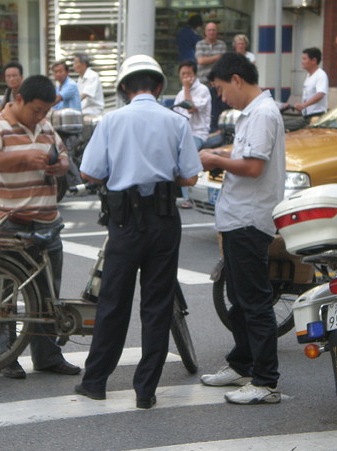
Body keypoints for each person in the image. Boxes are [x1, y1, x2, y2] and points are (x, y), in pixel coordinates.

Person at [74, 55, 202, 409]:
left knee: (113, 302)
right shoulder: (176, 122)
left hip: (124, 223)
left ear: (125, 89)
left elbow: (90, 173)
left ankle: (95, 382)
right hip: (164, 221)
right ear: (159, 87)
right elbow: (190, 177)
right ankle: (145, 391)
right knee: (157, 305)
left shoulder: (111, 121)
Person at [0, 75, 80, 379]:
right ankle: (4, 356)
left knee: (48, 295)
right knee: (6, 293)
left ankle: (47, 356)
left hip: (48, 222)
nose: (40, 116)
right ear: (18, 100)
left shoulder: (45, 127)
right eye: (35, 110)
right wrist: (23, 154)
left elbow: (62, 157)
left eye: (45, 111)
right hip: (11, 222)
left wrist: (58, 166)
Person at [199, 53, 285, 405]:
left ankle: (265, 381)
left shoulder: (263, 113)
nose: (222, 97)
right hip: (238, 218)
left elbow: (252, 167)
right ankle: (242, 363)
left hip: (250, 219)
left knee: (254, 302)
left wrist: (216, 160)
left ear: (236, 79)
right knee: (238, 298)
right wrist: (223, 157)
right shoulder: (253, 113)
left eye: (221, 89)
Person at [174, 59, 211, 209]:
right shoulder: (180, 94)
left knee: (185, 157)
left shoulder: (202, 90)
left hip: (197, 133)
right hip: (183, 134)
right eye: (183, 74)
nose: (185, 77)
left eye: (188, 74)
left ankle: (187, 197)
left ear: (194, 75)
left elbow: (191, 108)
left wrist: (187, 88)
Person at [196, 22, 228, 132]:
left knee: (217, 109)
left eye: (214, 30)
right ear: (205, 32)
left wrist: (208, 59)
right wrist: (217, 57)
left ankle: (216, 129)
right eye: (209, 30)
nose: (211, 32)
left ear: (217, 32)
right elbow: (200, 61)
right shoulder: (200, 44)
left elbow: (223, 62)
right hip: (203, 83)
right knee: (204, 109)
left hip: (218, 85)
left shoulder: (222, 44)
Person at [294, 47, 329, 121]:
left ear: (314, 60)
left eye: (304, 59)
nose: (302, 61)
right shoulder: (308, 75)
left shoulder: (321, 75)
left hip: (316, 116)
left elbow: (320, 94)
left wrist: (303, 105)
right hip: (307, 115)